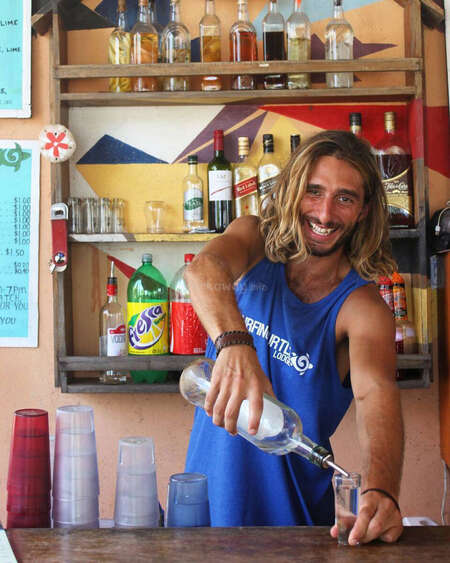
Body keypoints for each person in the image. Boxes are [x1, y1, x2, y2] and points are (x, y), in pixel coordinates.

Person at [184, 130, 404, 545]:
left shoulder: (363, 308)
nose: (324, 213)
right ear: (290, 192)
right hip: (207, 510)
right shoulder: (253, 241)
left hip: (297, 527)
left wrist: (381, 490)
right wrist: (236, 346)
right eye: (313, 191)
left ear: (363, 211)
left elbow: (376, 395)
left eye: (345, 198)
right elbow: (203, 269)